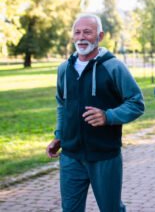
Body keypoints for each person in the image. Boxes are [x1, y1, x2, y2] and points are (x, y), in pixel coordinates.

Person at [46, 13, 144, 212]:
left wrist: (108, 116)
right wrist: (59, 136)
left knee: (111, 209)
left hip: (105, 155)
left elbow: (136, 103)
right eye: (77, 32)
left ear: (100, 36)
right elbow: (62, 105)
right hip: (71, 155)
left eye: (87, 32)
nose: (82, 37)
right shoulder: (64, 69)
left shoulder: (113, 67)